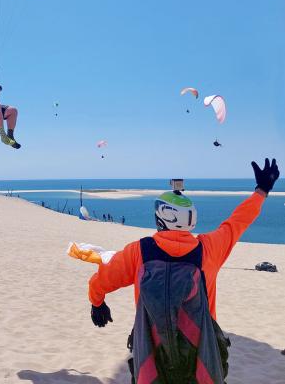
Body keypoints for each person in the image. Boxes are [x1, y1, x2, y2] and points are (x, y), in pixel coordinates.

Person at [87, 158, 280, 383]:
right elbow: (237, 222)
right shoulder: (209, 249)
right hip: (201, 355)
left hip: (152, 354)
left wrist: (97, 301)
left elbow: (103, 278)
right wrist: (262, 190)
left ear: (160, 217)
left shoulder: (139, 251)